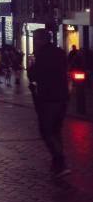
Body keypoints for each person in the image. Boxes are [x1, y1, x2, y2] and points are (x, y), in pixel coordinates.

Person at [28, 29, 70, 177]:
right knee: (56, 130)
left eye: (35, 39)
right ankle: (57, 161)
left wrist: (32, 67)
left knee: (47, 130)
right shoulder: (59, 52)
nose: (34, 42)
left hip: (48, 98)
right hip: (62, 96)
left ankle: (60, 161)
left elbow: (35, 75)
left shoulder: (42, 56)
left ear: (41, 40)